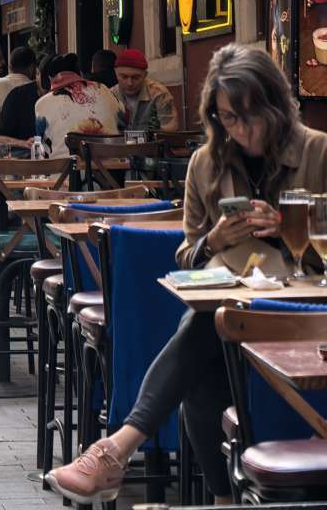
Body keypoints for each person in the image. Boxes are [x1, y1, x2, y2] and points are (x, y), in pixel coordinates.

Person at [47, 44, 327, 505]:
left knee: (204, 330)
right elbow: (188, 258)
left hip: (306, 310)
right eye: (227, 118)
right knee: (208, 344)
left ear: (275, 106)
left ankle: (119, 450)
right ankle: (210, 494)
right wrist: (214, 240)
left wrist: (286, 230)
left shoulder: (318, 152)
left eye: (250, 116)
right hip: (230, 311)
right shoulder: (207, 163)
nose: (241, 129)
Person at [35, 63, 120, 155]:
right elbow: (123, 118)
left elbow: (40, 143)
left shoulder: (42, 103)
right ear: (80, 73)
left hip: (64, 163)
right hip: (110, 161)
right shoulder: (104, 89)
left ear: (48, 79)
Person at [0, 52, 77, 145]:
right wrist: (23, 143)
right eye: (48, 84)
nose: (52, 89)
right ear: (37, 73)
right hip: (26, 152)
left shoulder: (71, 97)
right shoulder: (17, 96)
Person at [111, 47, 179, 133]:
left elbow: (170, 130)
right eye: (124, 77)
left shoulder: (159, 94)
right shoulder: (110, 96)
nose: (130, 83)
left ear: (145, 75)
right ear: (116, 73)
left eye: (136, 78)